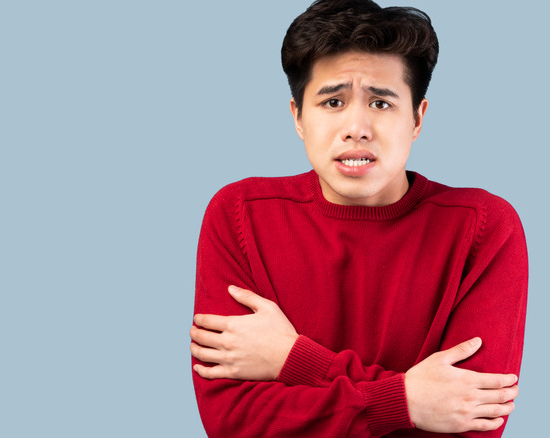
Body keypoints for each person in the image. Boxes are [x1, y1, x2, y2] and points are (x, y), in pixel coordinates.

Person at [189, 0, 528, 436]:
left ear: (417, 119)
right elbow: (233, 421)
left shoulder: (483, 227)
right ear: (298, 118)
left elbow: (471, 422)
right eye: (332, 101)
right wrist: (409, 400)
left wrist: (294, 358)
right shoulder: (239, 214)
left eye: (382, 104)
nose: (357, 127)